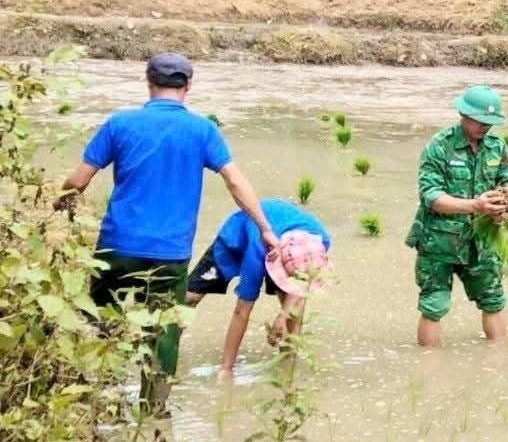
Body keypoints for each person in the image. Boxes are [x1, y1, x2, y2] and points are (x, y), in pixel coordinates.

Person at [58, 53, 278, 403]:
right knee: (162, 335)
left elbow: (79, 181)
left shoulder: (119, 124)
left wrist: (58, 203)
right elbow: (236, 182)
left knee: (95, 324)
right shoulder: (203, 130)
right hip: (169, 255)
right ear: (188, 86)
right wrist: (265, 227)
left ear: (147, 82)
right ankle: (154, 417)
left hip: (115, 249)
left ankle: (90, 403)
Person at [406, 85, 508, 347]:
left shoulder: (496, 146)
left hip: (483, 241)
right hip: (439, 241)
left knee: (493, 299)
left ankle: (497, 364)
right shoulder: (440, 146)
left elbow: (505, 179)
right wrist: (475, 206)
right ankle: (429, 372)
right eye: (480, 121)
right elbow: (431, 196)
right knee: (434, 304)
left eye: (490, 122)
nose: (485, 127)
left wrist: (505, 201)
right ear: (463, 114)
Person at [186, 200, 332, 375]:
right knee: (189, 298)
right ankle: (163, 350)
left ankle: (287, 367)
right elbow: (242, 311)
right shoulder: (256, 255)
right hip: (237, 239)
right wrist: (226, 369)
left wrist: (283, 316)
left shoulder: (319, 241)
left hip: (281, 241)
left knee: (292, 311)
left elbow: (302, 283)